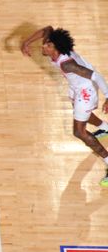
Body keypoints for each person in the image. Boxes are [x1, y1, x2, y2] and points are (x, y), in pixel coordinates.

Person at [21, 26, 108, 186]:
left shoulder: (67, 64)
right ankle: (105, 127)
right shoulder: (53, 44)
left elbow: (96, 76)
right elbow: (47, 29)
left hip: (85, 90)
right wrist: (27, 42)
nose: (43, 46)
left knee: (79, 132)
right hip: (76, 87)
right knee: (82, 114)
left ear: (55, 48)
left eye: (47, 45)